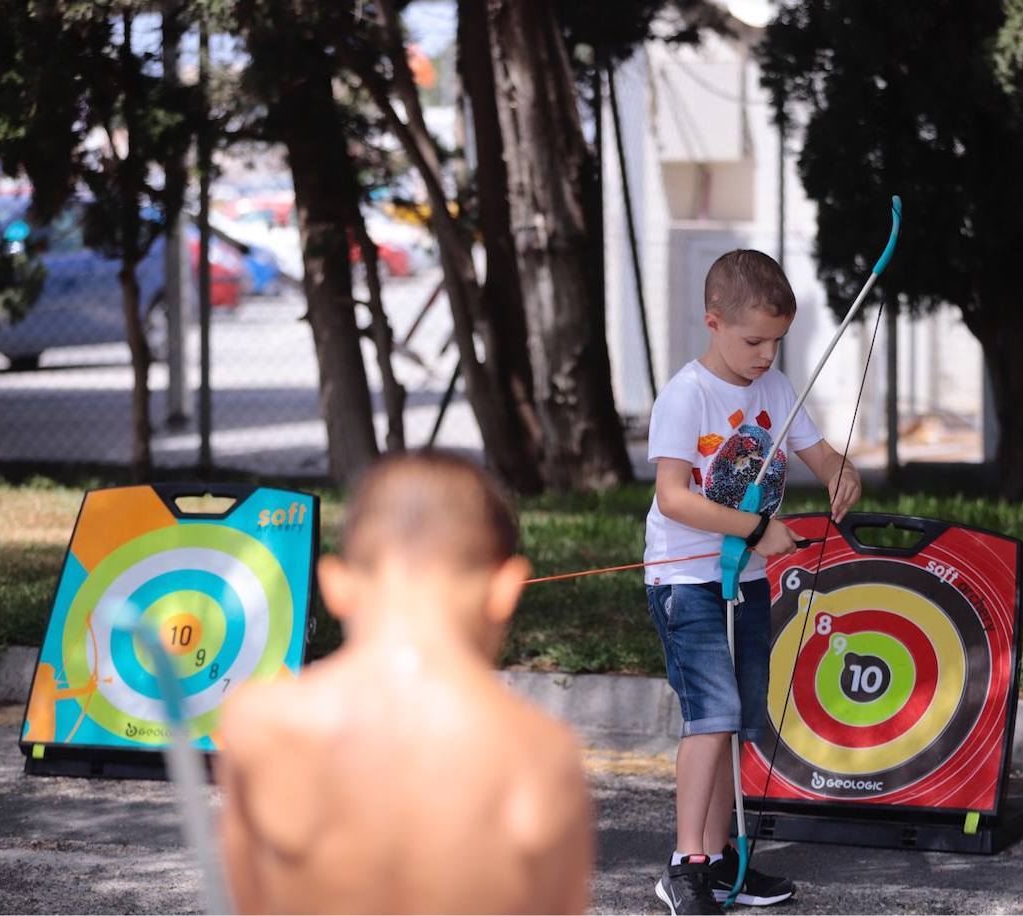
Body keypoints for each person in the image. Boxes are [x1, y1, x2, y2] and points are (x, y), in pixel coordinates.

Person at [216, 453, 593, 914]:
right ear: (507, 589)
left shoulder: (261, 727)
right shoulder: (542, 754)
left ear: (335, 585)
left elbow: (250, 902)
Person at [645, 250, 862, 915]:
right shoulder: (688, 395)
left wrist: (837, 472)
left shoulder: (773, 388)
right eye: (753, 341)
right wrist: (752, 527)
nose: (767, 355)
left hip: (747, 580)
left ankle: (718, 862)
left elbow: (818, 450)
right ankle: (685, 866)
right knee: (709, 717)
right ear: (713, 322)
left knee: (738, 721)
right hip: (688, 581)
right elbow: (674, 497)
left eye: (777, 341)